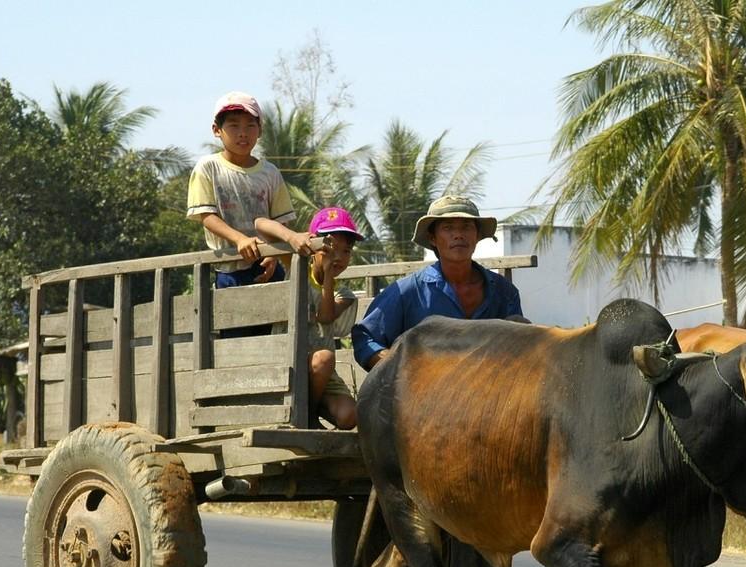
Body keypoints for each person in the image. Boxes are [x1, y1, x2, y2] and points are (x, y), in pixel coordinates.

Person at [186, 91, 314, 334]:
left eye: (250, 126)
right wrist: (240, 239)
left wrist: (274, 255)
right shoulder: (208, 167)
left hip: (267, 267)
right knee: (236, 341)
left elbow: (280, 222)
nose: (242, 133)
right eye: (233, 126)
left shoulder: (269, 173)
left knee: (276, 337)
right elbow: (207, 216)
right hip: (230, 267)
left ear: (260, 130)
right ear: (217, 130)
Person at [352, 196, 523, 370]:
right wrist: (401, 369)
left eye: (466, 227)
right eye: (448, 228)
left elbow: (520, 346)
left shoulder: (504, 292)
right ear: (432, 238)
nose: (458, 235)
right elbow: (365, 338)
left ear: (477, 236)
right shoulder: (409, 291)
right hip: (424, 393)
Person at [273, 207, 362, 429]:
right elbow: (260, 224)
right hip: (288, 364)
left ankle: (312, 406)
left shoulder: (345, 294)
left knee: (350, 416)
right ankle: (308, 418)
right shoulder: (294, 270)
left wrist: (329, 276)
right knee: (324, 358)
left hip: (322, 374)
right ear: (312, 247)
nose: (338, 257)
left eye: (346, 251)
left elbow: (324, 317)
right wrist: (293, 238)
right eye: (329, 247)